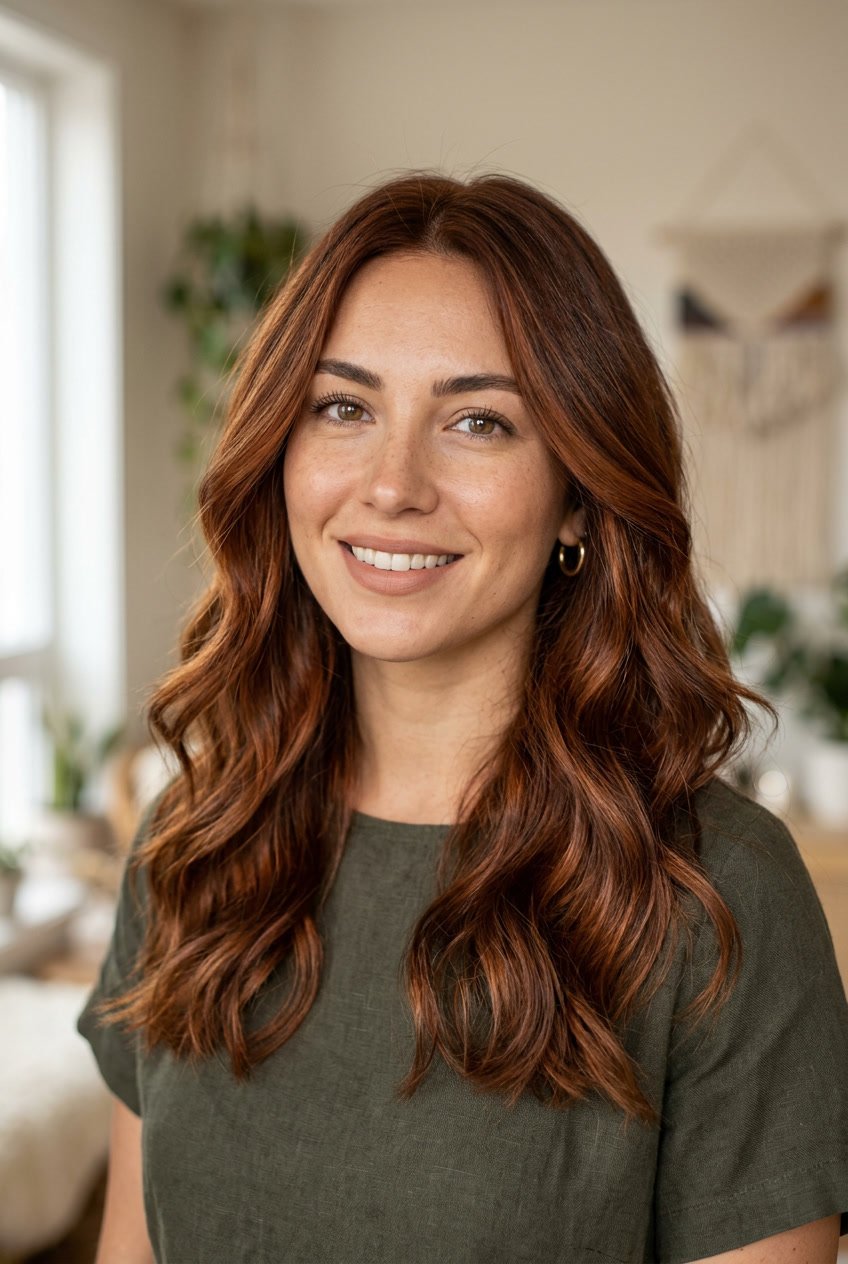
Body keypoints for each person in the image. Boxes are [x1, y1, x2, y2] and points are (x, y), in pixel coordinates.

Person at [78, 171, 848, 1264]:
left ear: (577, 493)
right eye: (343, 407)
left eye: (477, 422)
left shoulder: (712, 893)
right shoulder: (194, 843)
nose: (392, 484)